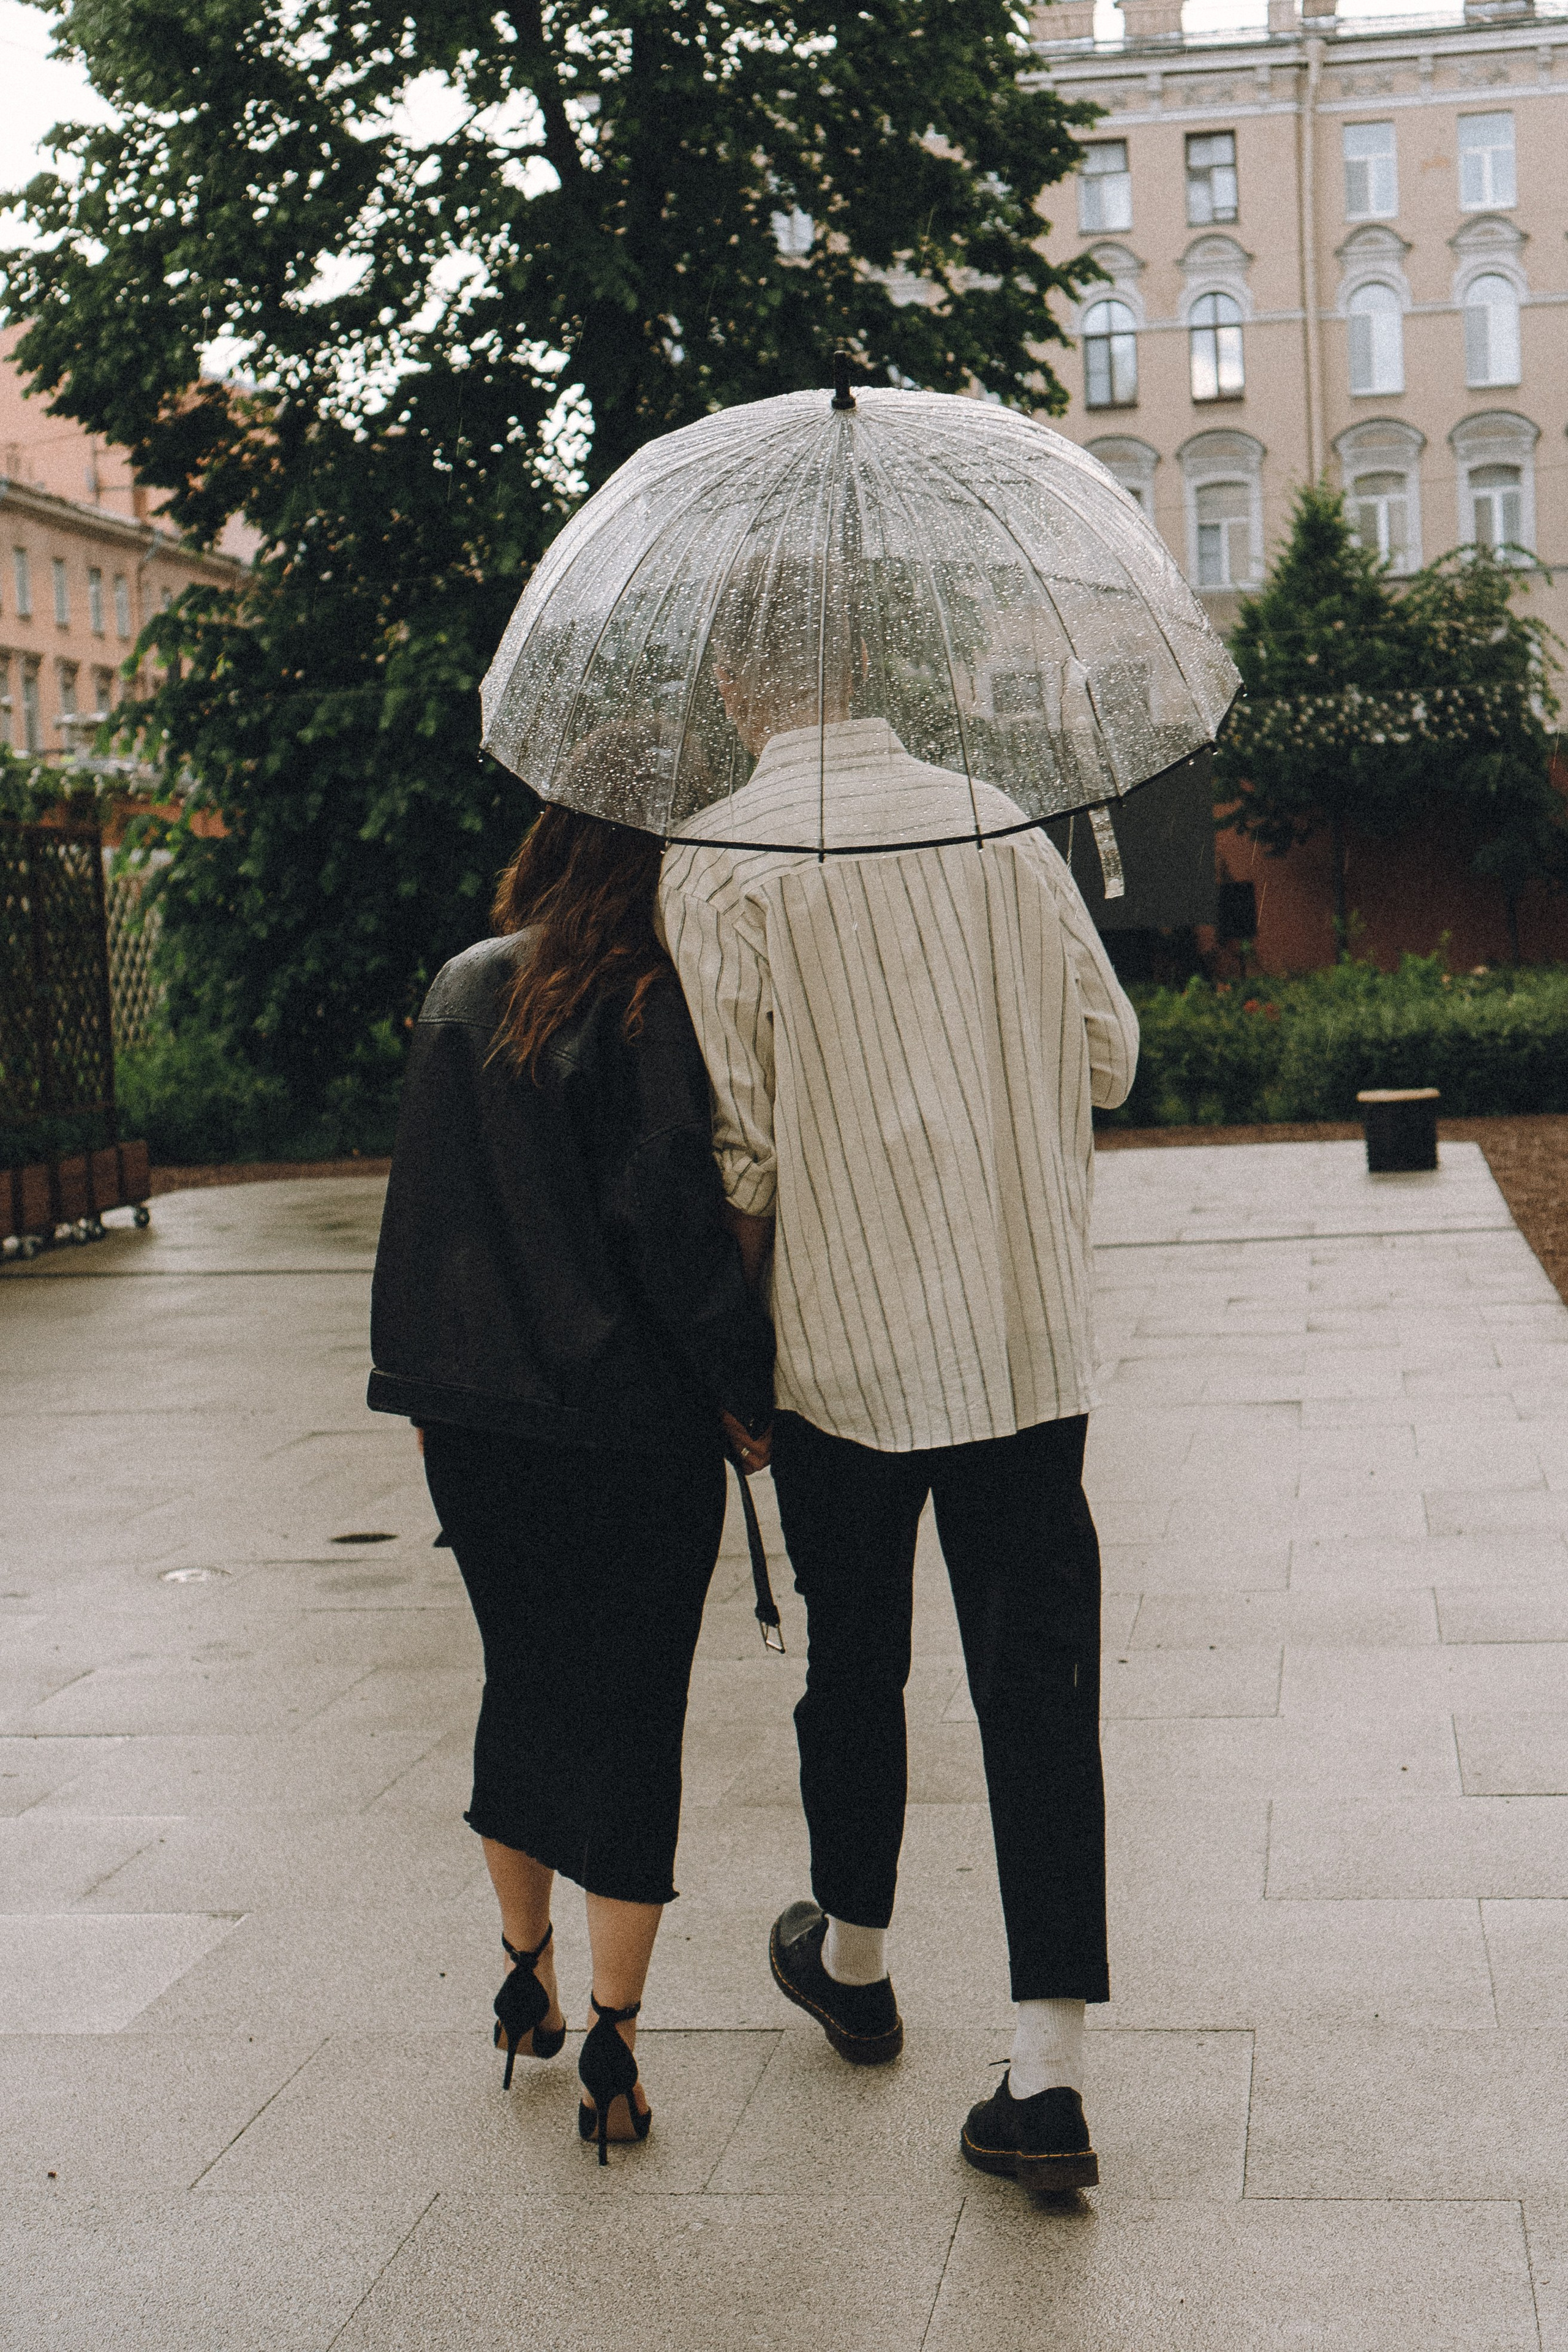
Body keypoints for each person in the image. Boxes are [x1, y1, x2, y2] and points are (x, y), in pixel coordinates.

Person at [659, 618, 1140, 2197]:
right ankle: (1048, 2078)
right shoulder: (1002, 820)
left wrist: (739, 1363)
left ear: (737, 687)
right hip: (1019, 1339)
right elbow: (1111, 1058)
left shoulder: (719, 859)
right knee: (1038, 1688)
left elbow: (743, 1151)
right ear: (866, 673)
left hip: (840, 1351)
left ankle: (855, 1961)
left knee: (853, 1659)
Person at [368, 763, 774, 2163]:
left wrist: (420, 1387)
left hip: (476, 1427)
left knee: (522, 1679)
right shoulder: (645, 1001)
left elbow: (417, 1209)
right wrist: (748, 1388)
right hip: (626, 1426)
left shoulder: (460, 988)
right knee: (631, 1709)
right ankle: (612, 2037)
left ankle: (518, 1970)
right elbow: (669, 1223)